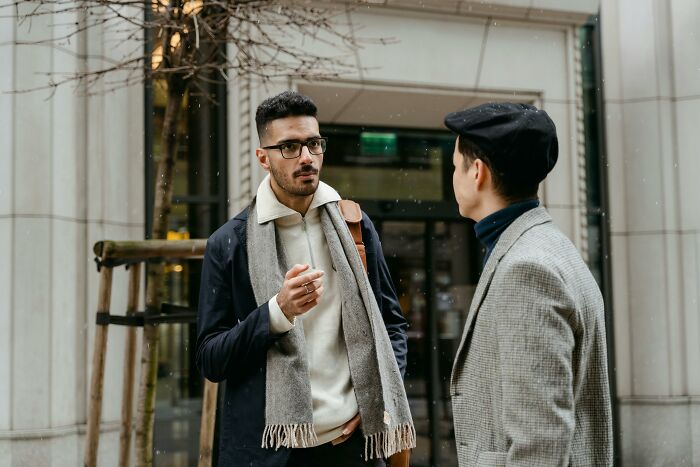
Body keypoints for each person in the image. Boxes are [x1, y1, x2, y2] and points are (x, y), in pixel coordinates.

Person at [196, 91, 415, 467]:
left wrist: (376, 399)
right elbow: (210, 358)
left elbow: (392, 326)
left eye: (314, 144)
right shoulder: (230, 244)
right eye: (290, 147)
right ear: (263, 157)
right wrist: (277, 313)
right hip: (269, 451)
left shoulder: (355, 227)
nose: (306, 157)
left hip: (352, 447)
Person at [445, 102, 613, 466]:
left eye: (455, 166)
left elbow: (540, 439)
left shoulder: (527, 269)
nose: (452, 177)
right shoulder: (547, 247)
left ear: (477, 172)